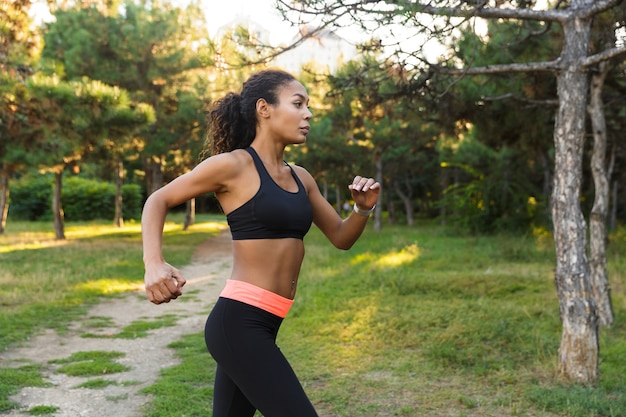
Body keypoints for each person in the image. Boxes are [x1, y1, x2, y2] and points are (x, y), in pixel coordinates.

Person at [141, 69, 380, 417]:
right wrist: (154, 263)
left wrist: (361, 209)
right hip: (239, 323)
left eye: (308, 106)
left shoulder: (302, 177)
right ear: (264, 109)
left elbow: (341, 238)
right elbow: (157, 201)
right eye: (298, 104)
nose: (308, 114)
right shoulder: (233, 166)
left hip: (268, 321)